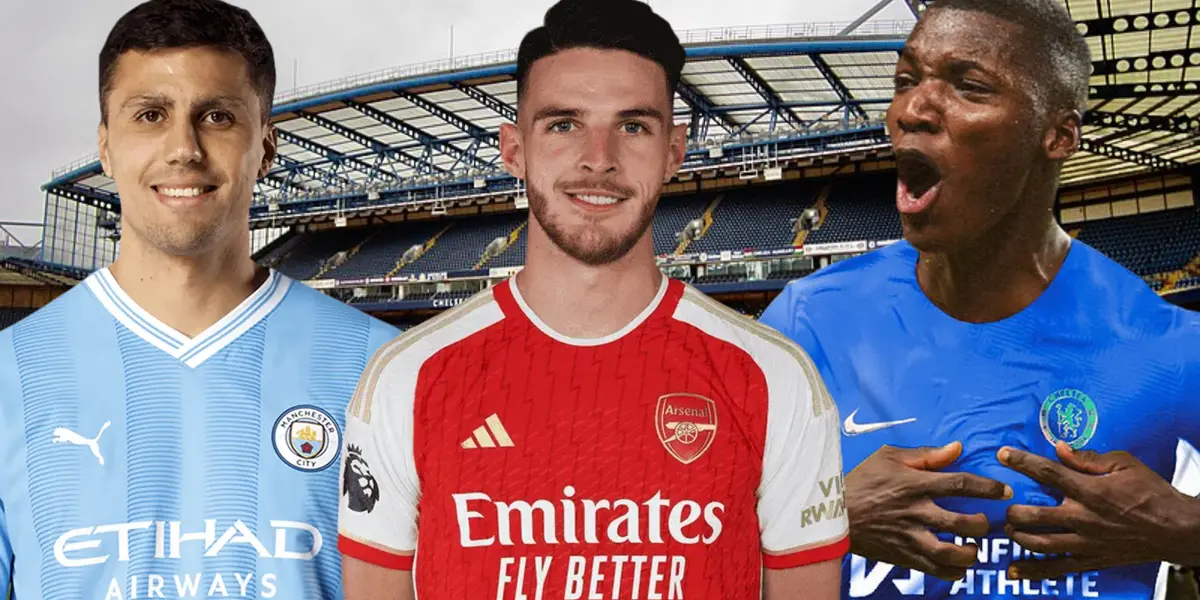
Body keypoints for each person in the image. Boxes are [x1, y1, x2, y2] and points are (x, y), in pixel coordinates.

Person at [335, 1, 849, 598]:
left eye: (633, 126)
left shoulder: (775, 379)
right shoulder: (407, 378)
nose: (599, 157)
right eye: (563, 124)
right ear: (514, 150)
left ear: (675, 151)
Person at [759, 0, 1200, 598]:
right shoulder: (807, 322)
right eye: (906, 81)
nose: (912, 109)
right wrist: (823, 518)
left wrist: (1184, 532)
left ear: (1058, 134)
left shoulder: (1168, 347)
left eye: (969, 87)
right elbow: (669, 529)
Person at [0, 1, 398, 598]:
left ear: (265, 146)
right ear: (106, 147)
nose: (183, 147)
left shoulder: (384, 371)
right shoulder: (11, 375)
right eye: (150, 115)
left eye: (216, 116)